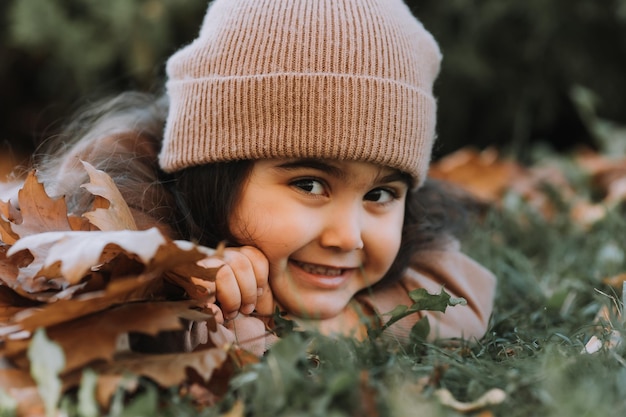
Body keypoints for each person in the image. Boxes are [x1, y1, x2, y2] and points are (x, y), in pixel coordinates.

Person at [4, 0, 496, 356]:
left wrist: (326, 330)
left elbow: (464, 293)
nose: (347, 236)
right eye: (309, 184)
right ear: (214, 171)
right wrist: (199, 293)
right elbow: (117, 334)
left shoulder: (410, 233)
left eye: (380, 194)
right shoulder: (106, 215)